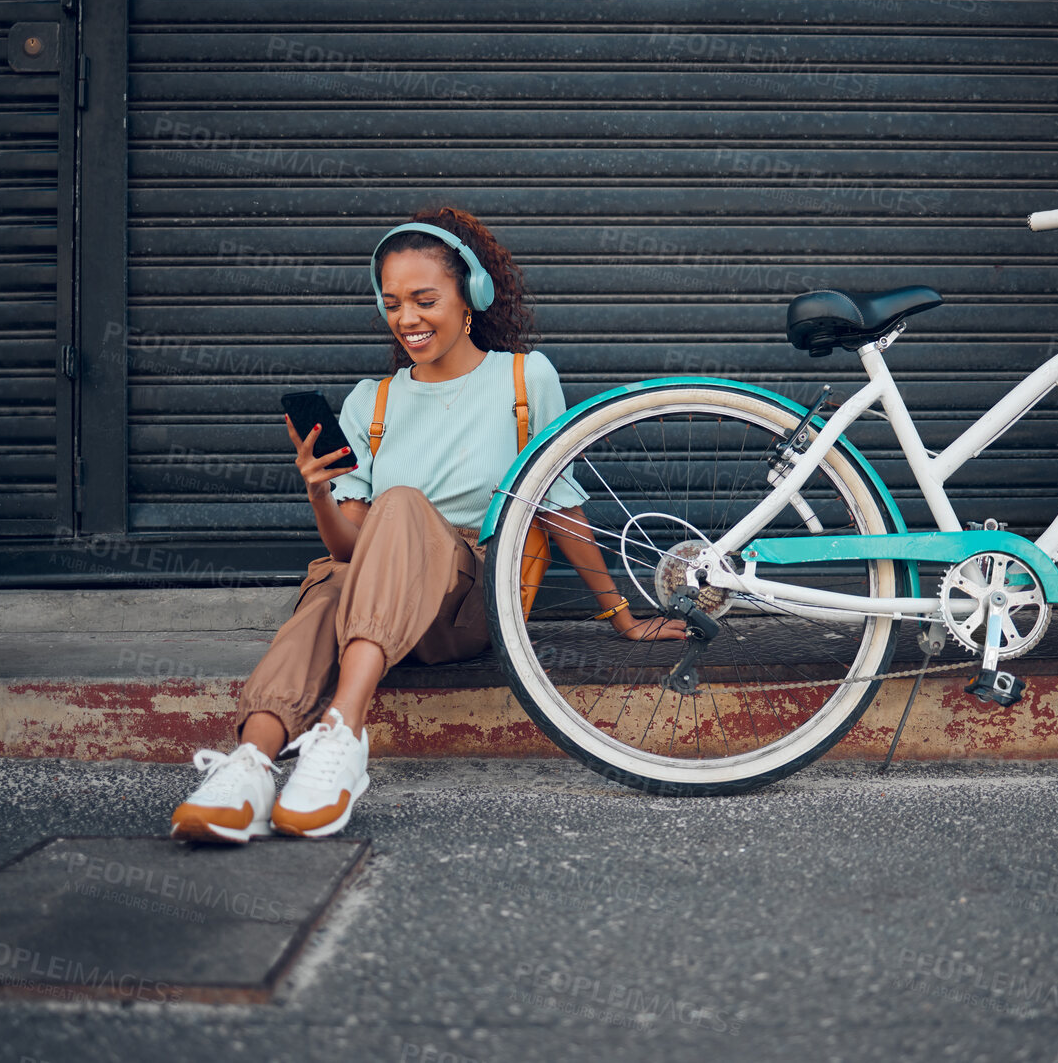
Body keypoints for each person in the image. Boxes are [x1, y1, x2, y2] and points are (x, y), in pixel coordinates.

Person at [170, 208, 684, 843]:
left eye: (423, 299)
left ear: (470, 295)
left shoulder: (525, 378)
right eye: (391, 304)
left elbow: (561, 504)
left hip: (468, 602)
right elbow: (349, 547)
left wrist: (622, 616)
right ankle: (250, 765)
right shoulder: (371, 401)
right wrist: (318, 491)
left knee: (402, 506)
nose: (406, 319)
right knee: (330, 585)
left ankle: (343, 729)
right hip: (375, 604)